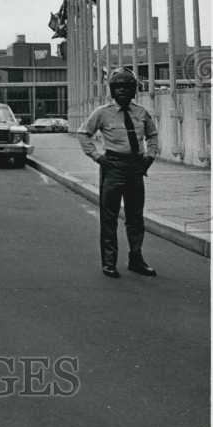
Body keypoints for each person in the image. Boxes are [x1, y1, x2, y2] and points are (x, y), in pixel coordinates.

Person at [77, 67, 159, 279]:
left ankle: (136, 258)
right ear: (112, 90)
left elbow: (152, 135)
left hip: (135, 168)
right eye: (118, 87)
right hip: (113, 167)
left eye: (127, 86)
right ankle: (109, 262)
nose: (122, 90)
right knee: (109, 216)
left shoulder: (141, 113)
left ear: (134, 90)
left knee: (135, 217)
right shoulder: (102, 113)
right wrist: (98, 157)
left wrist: (149, 157)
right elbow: (83, 134)